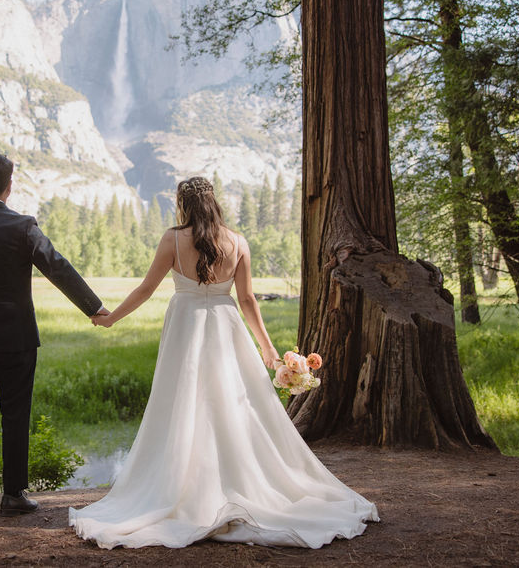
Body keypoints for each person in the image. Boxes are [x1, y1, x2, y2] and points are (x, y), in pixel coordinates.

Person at [70, 176, 379, 548]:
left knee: (183, 402)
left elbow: (146, 289)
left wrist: (112, 318)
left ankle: (186, 487)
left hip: (186, 324)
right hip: (225, 324)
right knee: (235, 401)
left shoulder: (172, 239)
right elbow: (247, 300)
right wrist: (267, 350)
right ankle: (237, 481)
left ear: (183, 205)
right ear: (214, 203)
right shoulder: (238, 241)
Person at [0, 153, 108, 517]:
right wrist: (93, 308)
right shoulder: (23, 227)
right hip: (16, 339)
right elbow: (57, 267)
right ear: (9, 186)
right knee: (15, 416)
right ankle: (12, 495)